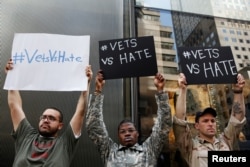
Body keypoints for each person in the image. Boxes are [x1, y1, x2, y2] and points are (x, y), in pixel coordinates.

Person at [5, 59, 92, 167]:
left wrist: (85, 83)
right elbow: (14, 106)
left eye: (52, 118)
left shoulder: (65, 143)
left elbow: (80, 112)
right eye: (44, 117)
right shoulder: (26, 135)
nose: (46, 120)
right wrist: (11, 76)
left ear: (60, 125)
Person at [86, 70, 172, 167]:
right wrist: (98, 90)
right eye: (122, 131)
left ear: (137, 134)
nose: (127, 133)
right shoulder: (109, 151)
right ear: (118, 136)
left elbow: (164, 125)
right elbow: (94, 126)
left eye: (131, 130)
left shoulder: (149, 150)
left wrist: (161, 91)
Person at [173, 73, 246, 167]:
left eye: (213, 121)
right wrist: (182, 89)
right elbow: (180, 121)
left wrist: (238, 91)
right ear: (197, 126)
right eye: (205, 121)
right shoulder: (191, 146)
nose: (210, 124)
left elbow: (237, 118)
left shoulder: (226, 141)